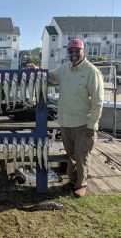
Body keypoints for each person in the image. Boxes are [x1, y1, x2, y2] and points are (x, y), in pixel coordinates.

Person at [27, 38, 104, 197]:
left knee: (82, 156)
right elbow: (49, 76)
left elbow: (98, 102)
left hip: (83, 122)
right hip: (65, 121)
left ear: (83, 51)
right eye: (71, 51)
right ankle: (72, 181)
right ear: (68, 52)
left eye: (77, 50)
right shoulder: (64, 68)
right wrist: (37, 69)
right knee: (70, 155)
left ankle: (81, 184)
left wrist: (92, 125)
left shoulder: (92, 72)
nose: (74, 53)